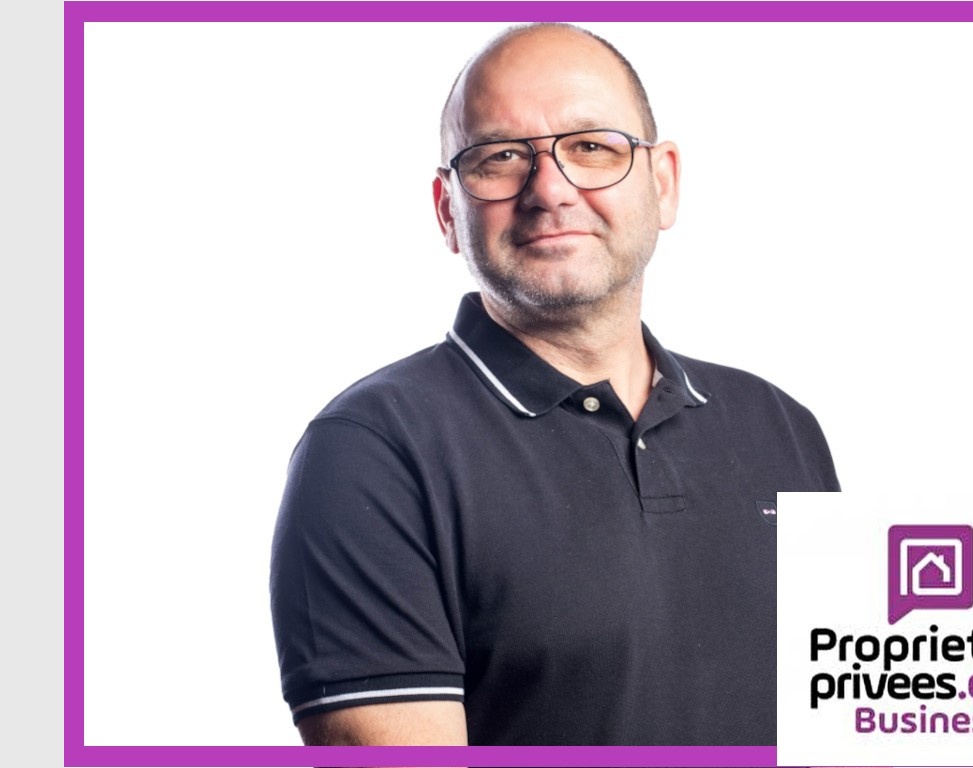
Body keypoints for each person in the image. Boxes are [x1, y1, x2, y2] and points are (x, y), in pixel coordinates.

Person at [270, 22, 839, 746]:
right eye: (501, 157)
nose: (551, 190)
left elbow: (854, 731)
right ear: (448, 210)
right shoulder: (370, 455)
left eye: (592, 147)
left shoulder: (781, 428)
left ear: (663, 184)